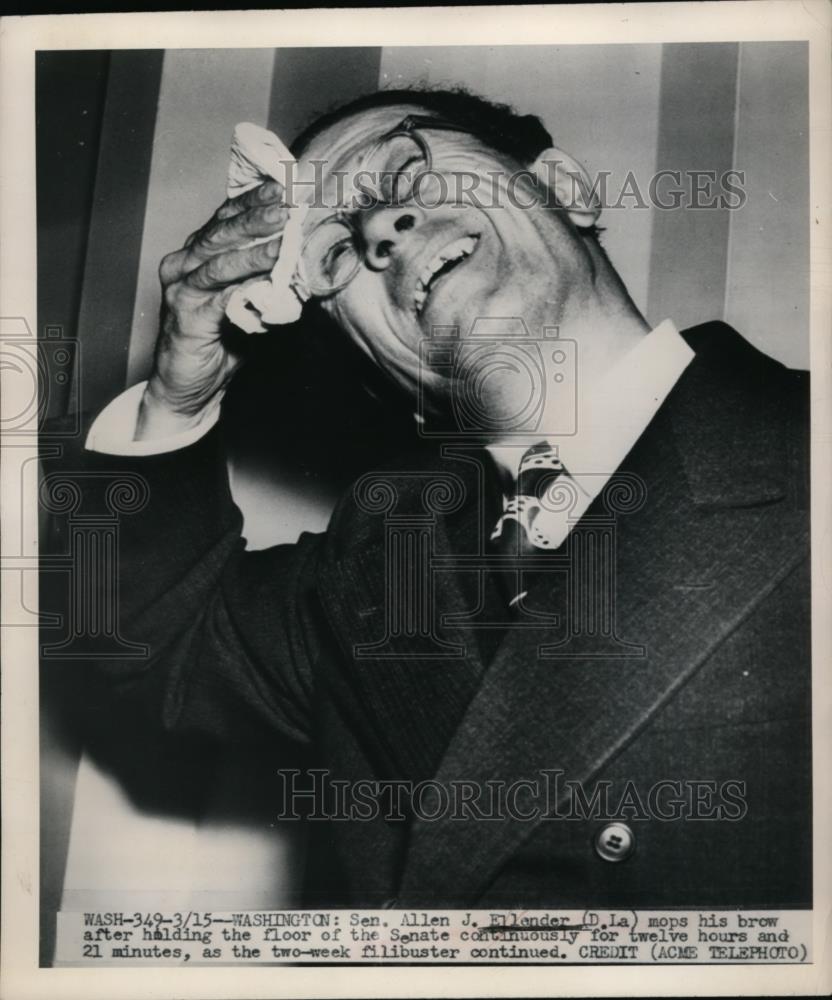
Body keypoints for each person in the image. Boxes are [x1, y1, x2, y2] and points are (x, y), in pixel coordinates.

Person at [69, 88, 810, 908]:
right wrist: (176, 395)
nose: (380, 231)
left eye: (404, 169)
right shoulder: (379, 564)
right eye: (332, 250)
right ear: (376, 370)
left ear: (564, 187)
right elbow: (140, 644)